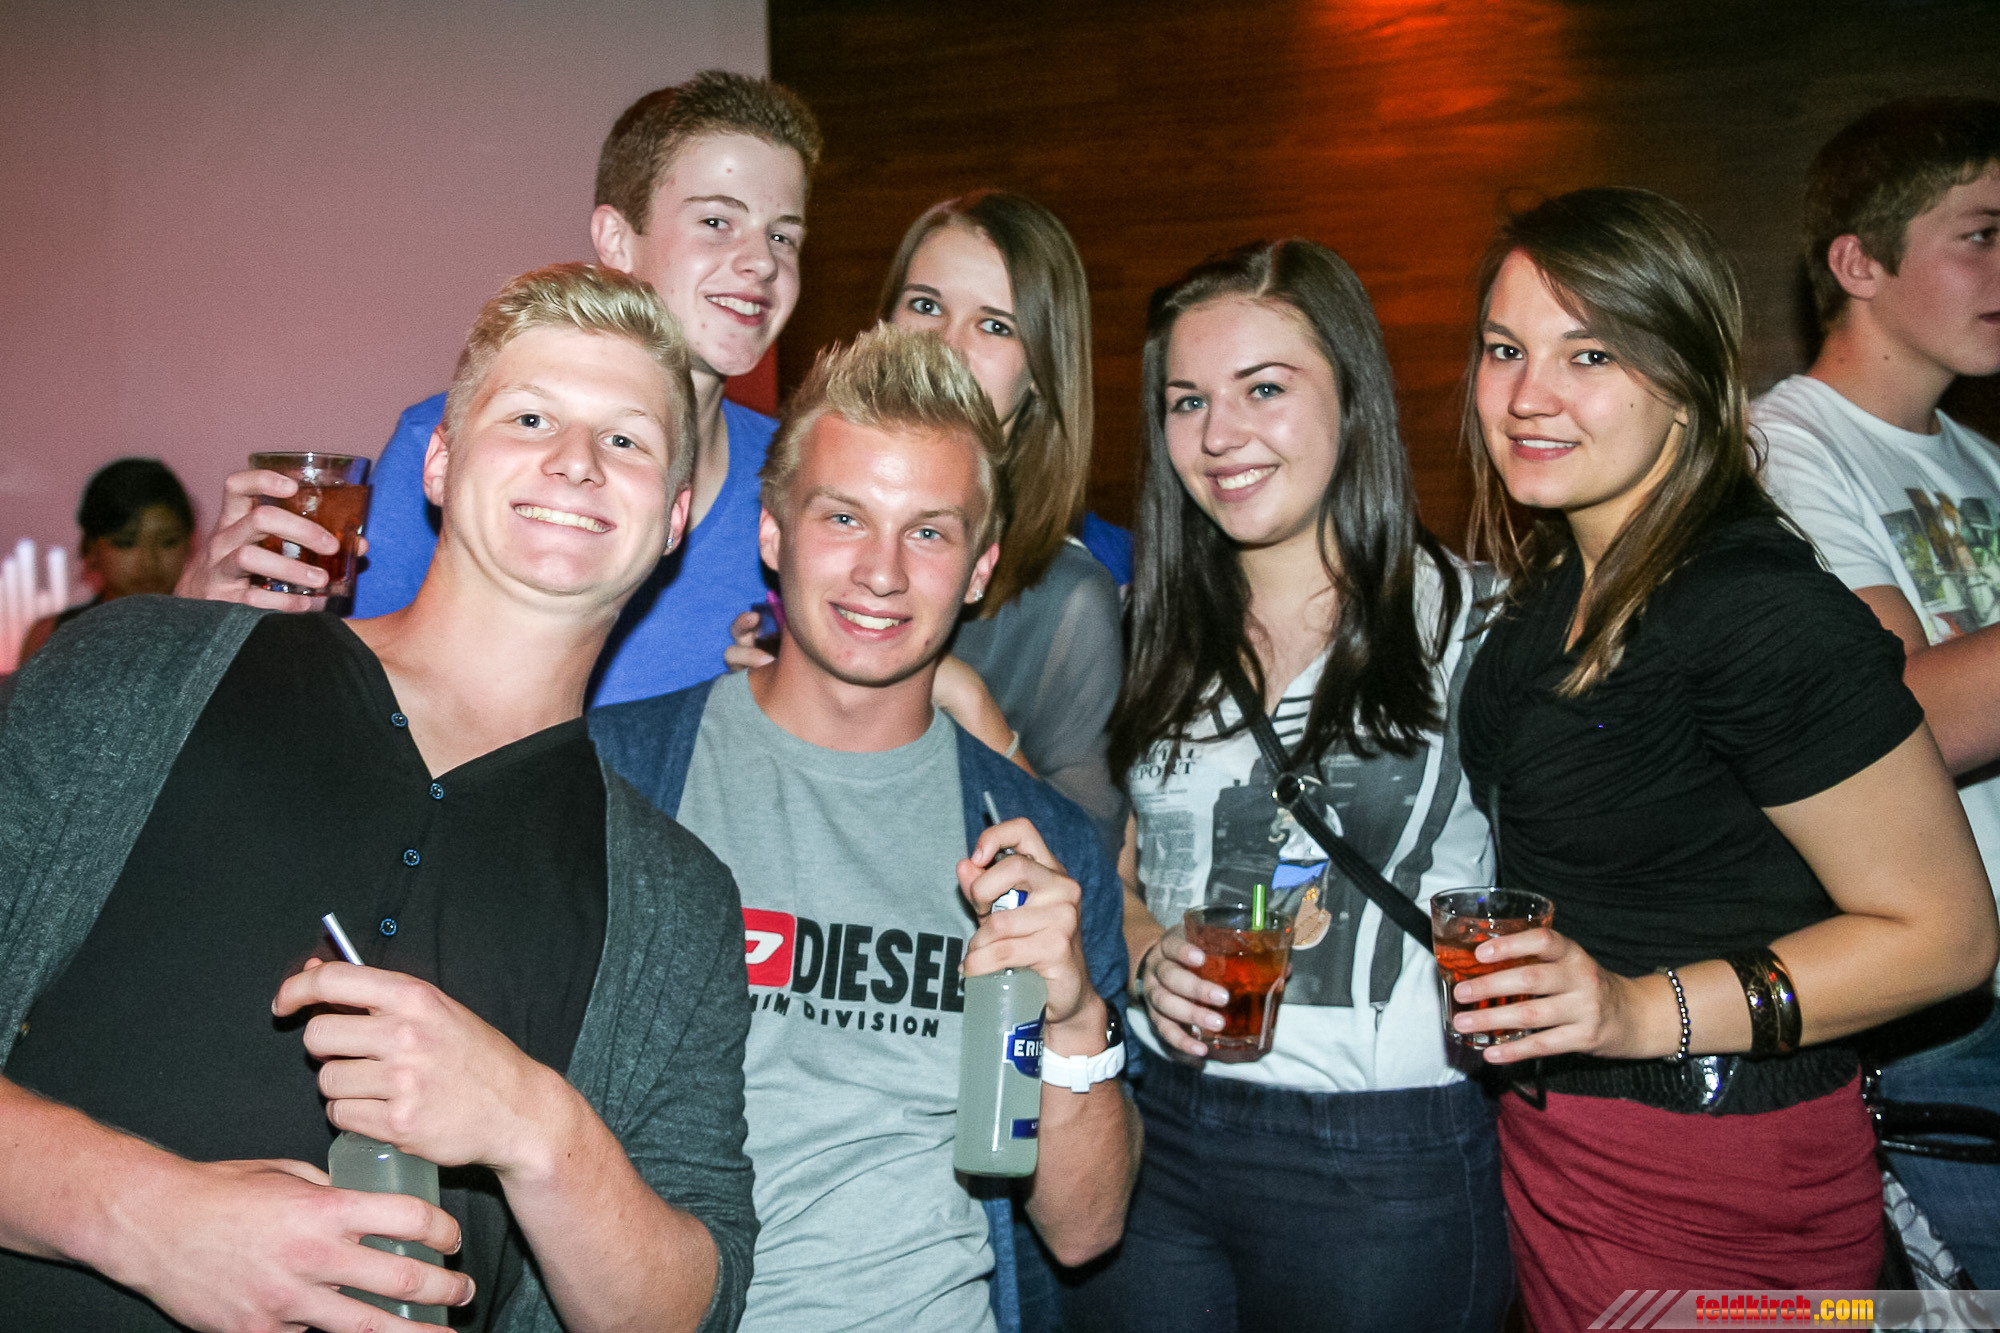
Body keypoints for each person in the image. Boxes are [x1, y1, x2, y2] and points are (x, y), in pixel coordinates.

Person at [0, 263, 755, 1333]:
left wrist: (534, 1126)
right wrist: (153, 1221)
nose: (576, 460)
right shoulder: (137, 671)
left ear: (675, 518)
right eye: (530, 416)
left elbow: (692, 1308)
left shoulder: (675, 902)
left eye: (626, 439)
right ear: (438, 463)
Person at [1453, 187, 1997, 1331]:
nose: (1525, 395)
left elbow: (1944, 936)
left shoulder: (1750, 610)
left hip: (1722, 1180)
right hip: (1560, 1156)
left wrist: (1633, 1010)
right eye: (1503, 349)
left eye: (1588, 353)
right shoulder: (1550, 597)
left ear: (1689, 382)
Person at [590, 324, 1137, 1333]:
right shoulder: (610, 779)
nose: (882, 572)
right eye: (844, 517)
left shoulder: (1042, 849)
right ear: (773, 534)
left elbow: (1085, 1230)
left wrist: (1070, 1022)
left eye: (929, 532)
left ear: (980, 567)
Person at [1069, 240, 1509, 1333]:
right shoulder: (1142, 628)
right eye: (1187, 401)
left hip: (1384, 1154)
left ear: (1351, 397)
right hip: (1156, 1130)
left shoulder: (1481, 625)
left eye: (1263, 388)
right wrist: (1144, 950)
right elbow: (1110, 865)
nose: (1219, 435)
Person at [180, 69, 822, 705]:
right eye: (717, 221)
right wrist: (199, 622)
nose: (761, 262)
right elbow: (342, 696)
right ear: (617, 240)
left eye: (782, 236)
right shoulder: (464, 450)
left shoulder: (804, 475)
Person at [1752, 97, 2000, 1285]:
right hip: (1940, 1012)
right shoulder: (1776, 449)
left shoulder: (1981, 459)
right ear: (1857, 263)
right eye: (1980, 235)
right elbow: (1902, 726)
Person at [730, 190, 1128, 860]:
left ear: (1042, 373)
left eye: (994, 325)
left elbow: (1094, 876)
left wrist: (968, 703)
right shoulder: (807, 519)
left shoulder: (1069, 601)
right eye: (925, 306)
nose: (947, 344)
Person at [19, 458, 194, 661]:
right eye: (126, 543)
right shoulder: (50, 637)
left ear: (189, 543)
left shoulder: (209, 631)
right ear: (92, 548)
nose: (148, 561)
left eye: (168, 542)